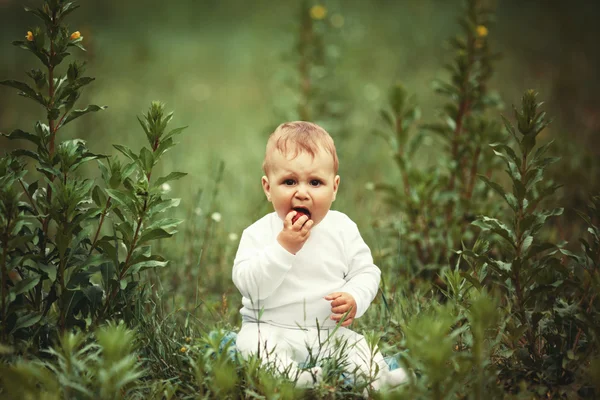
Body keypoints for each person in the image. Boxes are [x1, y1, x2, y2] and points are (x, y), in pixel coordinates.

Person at [232, 121, 408, 391]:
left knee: (359, 349)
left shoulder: (342, 228)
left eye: (315, 182)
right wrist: (284, 247)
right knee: (250, 346)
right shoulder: (258, 234)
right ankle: (294, 379)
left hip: (327, 332)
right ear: (268, 188)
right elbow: (248, 285)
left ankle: (379, 380)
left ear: (334, 188)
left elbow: (367, 272)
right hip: (268, 327)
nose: (302, 192)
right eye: (289, 181)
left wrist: (355, 298)